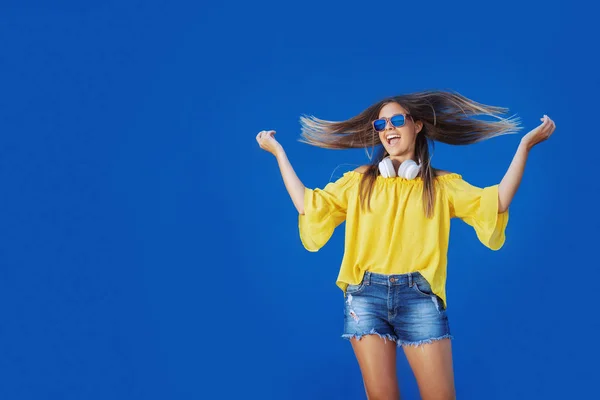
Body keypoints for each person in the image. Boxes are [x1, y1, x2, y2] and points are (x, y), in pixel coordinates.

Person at [255, 90, 555, 400]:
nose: (388, 129)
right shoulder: (358, 181)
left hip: (419, 297)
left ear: (418, 125)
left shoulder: (441, 185)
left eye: (397, 120)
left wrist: (525, 147)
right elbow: (308, 205)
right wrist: (278, 153)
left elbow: (498, 201)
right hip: (364, 297)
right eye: (381, 124)